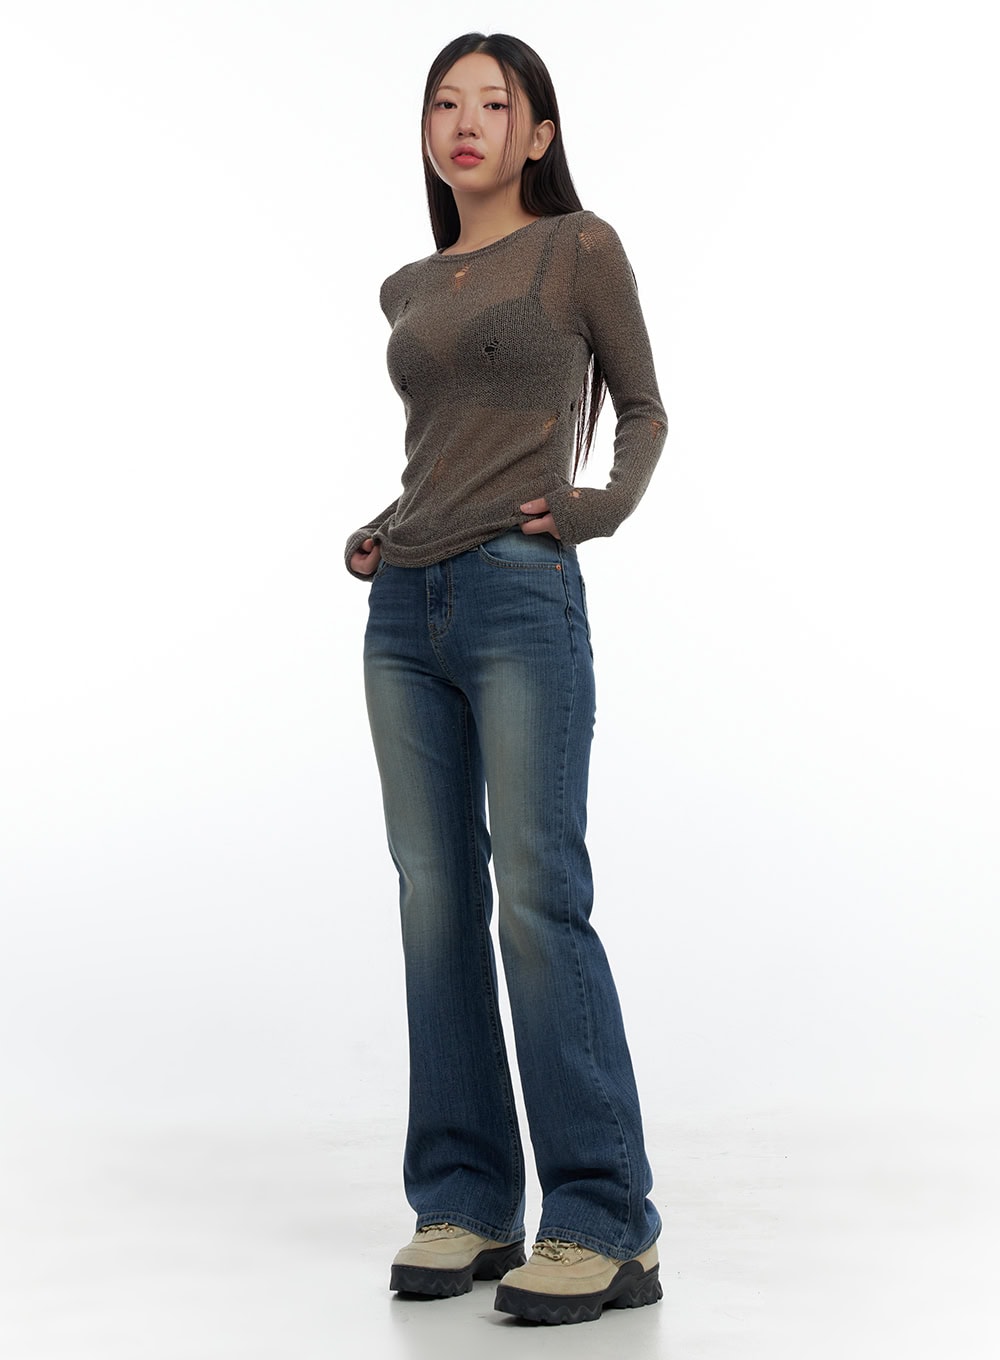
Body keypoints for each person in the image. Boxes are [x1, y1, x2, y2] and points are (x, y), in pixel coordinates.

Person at [345, 31, 668, 1326]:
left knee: (538, 895)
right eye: (445, 102)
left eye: (494, 102)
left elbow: (644, 409)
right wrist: (386, 526)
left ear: (538, 132)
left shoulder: (577, 248)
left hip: (522, 594)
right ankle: (467, 1200)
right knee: (434, 901)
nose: (465, 120)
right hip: (404, 605)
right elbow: (443, 447)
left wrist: (593, 510)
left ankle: (605, 1220)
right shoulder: (407, 285)